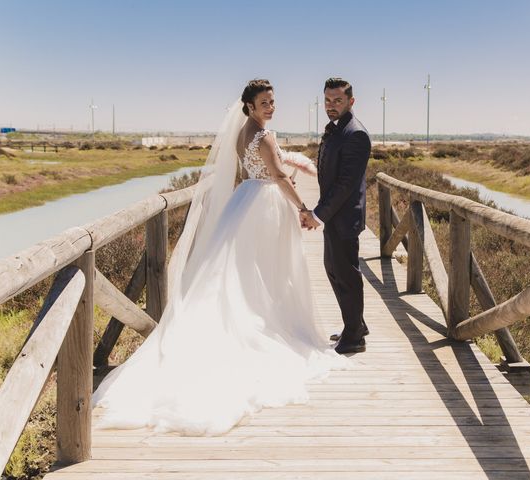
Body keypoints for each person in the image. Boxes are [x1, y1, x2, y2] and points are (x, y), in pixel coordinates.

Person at [92, 79, 346, 435]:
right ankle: (263, 324)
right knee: (269, 272)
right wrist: (304, 208)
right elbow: (275, 175)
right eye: (264, 103)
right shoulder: (266, 136)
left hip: (245, 203)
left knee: (244, 271)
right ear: (250, 106)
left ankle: (252, 315)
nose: (271, 107)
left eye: (273, 101)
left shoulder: (243, 134)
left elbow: (258, 166)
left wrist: (292, 165)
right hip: (266, 204)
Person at [299, 78, 371, 354]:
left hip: (345, 217)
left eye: (338, 100)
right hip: (335, 216)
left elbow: (345, 185)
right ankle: (356, 324)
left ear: (351, 102)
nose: (331, 105)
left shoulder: (356, 134)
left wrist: (317, 215)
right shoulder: (336, 129)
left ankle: (355, 338)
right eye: (327, 100)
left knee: (346, 275)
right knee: (334, 270)